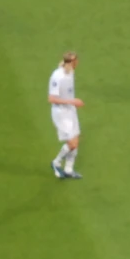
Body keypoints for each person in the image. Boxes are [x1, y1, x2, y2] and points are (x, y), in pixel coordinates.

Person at [48, 51, 84, 179]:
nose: (77, 63)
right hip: (61, 113)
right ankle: (56, 162)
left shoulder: (71, 72)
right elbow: (51, 99)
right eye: (76, 61)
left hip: (70, 111)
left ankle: (68, 170)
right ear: (71, 62)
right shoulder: (57, 77)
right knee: (72, 143)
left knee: (76, 141)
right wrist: (72, 101)